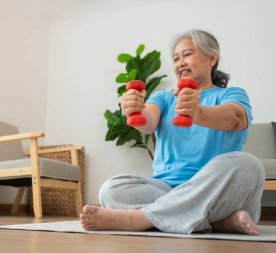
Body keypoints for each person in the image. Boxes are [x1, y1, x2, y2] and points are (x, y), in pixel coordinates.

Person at [80, 29, 265, 235]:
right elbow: (148, 122)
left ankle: (139, 219)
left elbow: (235, 119)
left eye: (187, 54)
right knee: (111, 189)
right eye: (176, 58)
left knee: (249, 165)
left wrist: (198, 112)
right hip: (165, 189)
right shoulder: (165, 97)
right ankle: (219, 222)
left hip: (217, 191)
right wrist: (134, 109)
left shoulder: (231, 94)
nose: (180, 63)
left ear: (212, 58)